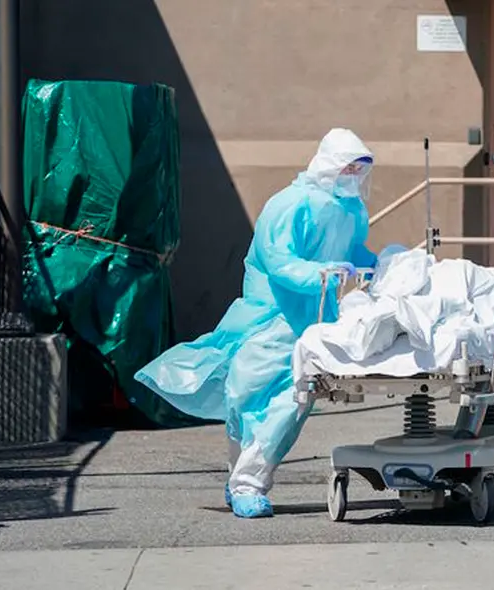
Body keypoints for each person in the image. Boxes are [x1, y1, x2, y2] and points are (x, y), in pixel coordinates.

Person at [135, 128, 384, 518]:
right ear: (330, 163)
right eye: (348, 166)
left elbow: (352, 251)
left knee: (289, 404)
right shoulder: (291, 204)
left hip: (313, 324)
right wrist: (321, 272)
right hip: (271, 318)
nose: (354, 174)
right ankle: (240, 478)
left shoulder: (350, 210)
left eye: (360, 168)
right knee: (245, 396)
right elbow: (278, 260)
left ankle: (249, 483)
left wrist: (376, 262)